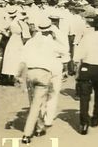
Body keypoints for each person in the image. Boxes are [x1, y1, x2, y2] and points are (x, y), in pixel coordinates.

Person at [18, 17, 63, 145]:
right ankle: (27, 133)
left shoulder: (30, 42)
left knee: (34, 101)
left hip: (30, 72)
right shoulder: (51, 43)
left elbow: (22, 59)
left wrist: (18, 75)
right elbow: (64, 51)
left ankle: (39, 126)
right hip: (43, 73)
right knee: (37, 104)